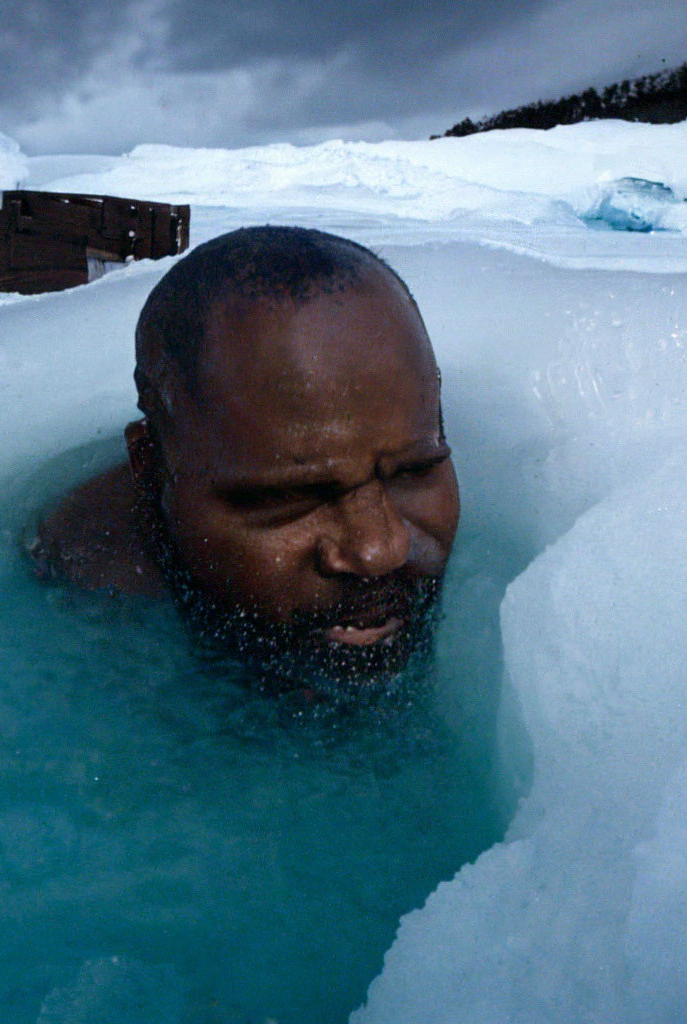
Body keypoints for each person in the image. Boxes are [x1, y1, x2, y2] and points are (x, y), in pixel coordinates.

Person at [31, 226, 459, 691]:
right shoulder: (90, 606)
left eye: (413, 471)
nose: (380, 550)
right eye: (293, 497)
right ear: (153, 470)